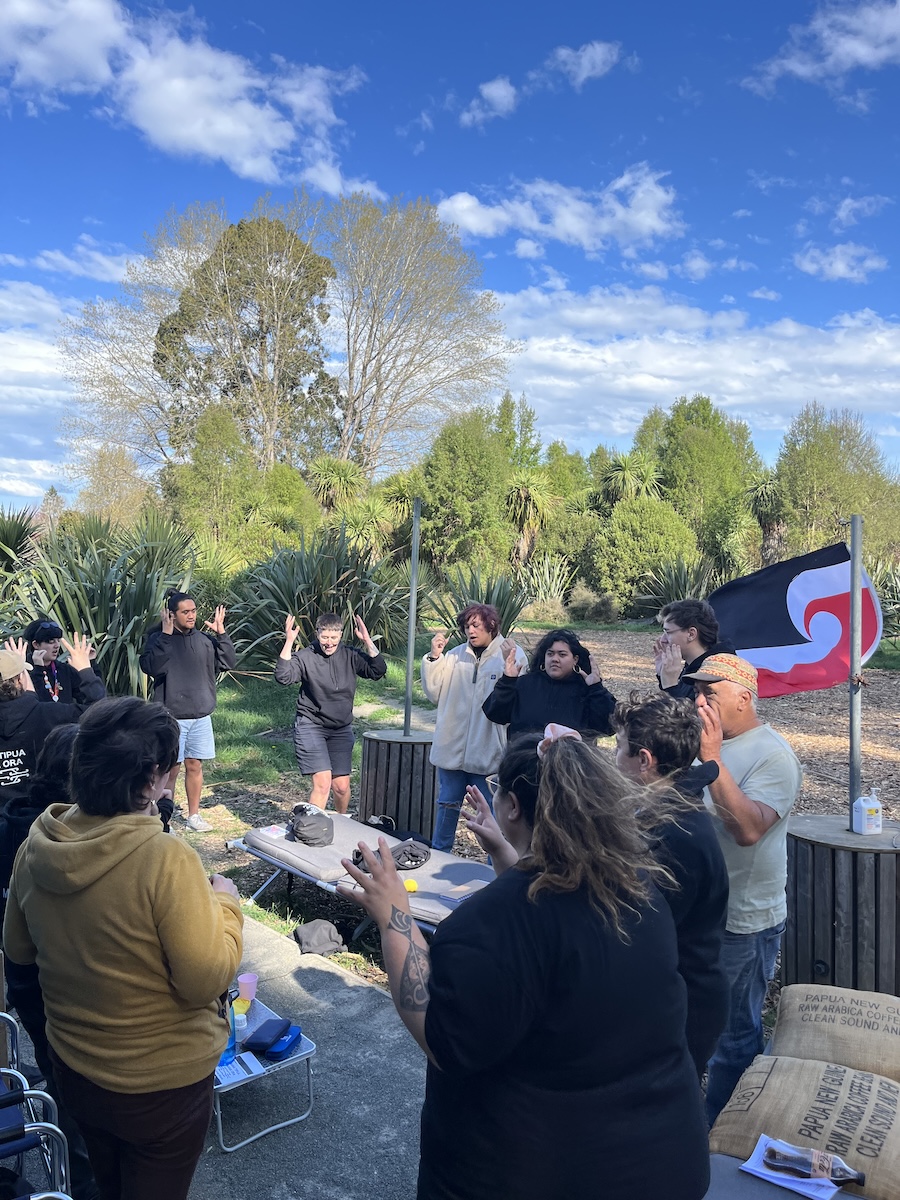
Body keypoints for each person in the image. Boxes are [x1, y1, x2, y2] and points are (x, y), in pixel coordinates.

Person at [339, 728, 709, 1200]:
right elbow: (551, 925)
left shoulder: (489, 924)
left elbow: (444, 1041)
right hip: (663, 1161)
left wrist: (394, 916)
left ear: (512, 806)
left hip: (541, 1173)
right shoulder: (636, 889)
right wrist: (509, 857)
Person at [2, 696, 243, 1200]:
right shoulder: (164, 856)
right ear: (152, 778)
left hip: (76, 1071)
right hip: (161, 1087)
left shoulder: (36, 846)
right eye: (171, 769)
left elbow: (18, 954)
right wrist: (226, 906)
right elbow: (204, 979)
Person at [680, 653, 802, 1125]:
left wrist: (711, 760)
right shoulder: (707, 742)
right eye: (697, 692)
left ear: (743, 698)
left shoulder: (773, 755)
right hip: (700, 912)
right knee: (695, 1023)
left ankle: (727, 1136)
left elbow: (748, 830)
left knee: (733, 1038)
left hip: (744, 924)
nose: (699, 702)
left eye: (710, 693)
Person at [612, 690, 729, 1079]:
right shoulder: (667, 806)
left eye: (619, 748)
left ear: (645, 760)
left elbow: (636, 930)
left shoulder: (675, 836)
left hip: (679, 1013)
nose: (613, 758)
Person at [421, 603, 526, 853]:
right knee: (446, 807)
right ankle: (439, 856)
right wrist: (434, 658)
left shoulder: (511, 655)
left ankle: (495, 866)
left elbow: (517, 702)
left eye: (476, 625)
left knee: (492, 816)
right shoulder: (454, 656)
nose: (470, 631)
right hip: (451, 752)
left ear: (492, 625)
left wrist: (509, 669)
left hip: (488, 754)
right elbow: (433, 693)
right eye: (467, 626)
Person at [139, 591, 236, 832]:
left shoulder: (204, 640)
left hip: (201, 715)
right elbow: (152, 667)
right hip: (171, 717)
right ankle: (163, 820)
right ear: (172, 615)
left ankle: (194, 816)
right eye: (185, 612)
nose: (191, 616)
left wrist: (221, 633)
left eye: (193, 611)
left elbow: (227, 662)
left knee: (195, 765)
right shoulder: (158, 639)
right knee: (170, 769)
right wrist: (165, 635)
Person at [274, 612, 387, 812]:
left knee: (341, 787)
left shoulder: (350, 655)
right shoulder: (306, 656)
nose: (329, 643)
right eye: (324, 637)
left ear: (341, 635)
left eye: (334, 637)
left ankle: (340, 823)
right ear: (317, 633)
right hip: (311, 725)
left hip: (341, 728)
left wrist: (367, 640)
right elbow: (283, 676)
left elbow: (377, 670)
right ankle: (313, 827)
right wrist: (289, 641)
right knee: (323, 783)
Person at [0, 636, 101, 819]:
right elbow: (98, 711)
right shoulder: (47, 714)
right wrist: (86, 669)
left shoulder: (38, 709)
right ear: (21, 680)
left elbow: (28, 700)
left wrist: (16, 668)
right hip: (41, 821)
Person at [482, 627, 616, 738]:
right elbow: (495, 714)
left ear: (575, 659)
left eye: (562, 654)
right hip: (524, 759)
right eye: (550, 654)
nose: (555, 659)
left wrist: (596, 688)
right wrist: (508, 681)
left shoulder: (586, 690)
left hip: (570, 762)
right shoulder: (525, 684)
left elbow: (609, 727)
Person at [654, 598, 736, 699]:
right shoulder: (693, 666)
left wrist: (670, 685)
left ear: (691, 634)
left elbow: (689, 708)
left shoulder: (715, 675)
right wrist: (664, 676)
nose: (662, 640)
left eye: (668, 632)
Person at [20, 618, 106, 709]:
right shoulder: (23, 671)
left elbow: (94, 699)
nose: (57, 645)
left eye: (58, 640)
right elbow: (34, 705)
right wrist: (38, 669)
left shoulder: (64, 669)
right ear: (36, 644)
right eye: (51, 641)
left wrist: (90, 663)